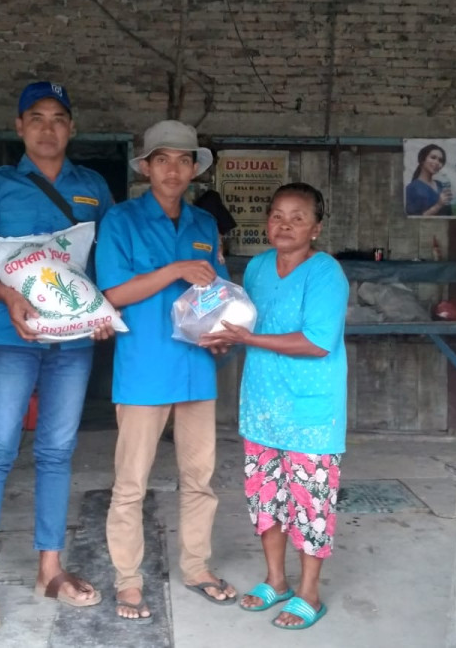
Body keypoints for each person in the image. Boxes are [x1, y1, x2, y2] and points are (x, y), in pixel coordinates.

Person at [0, 81, 114, 631]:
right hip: (10, 337)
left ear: (71, 127)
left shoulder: (93, 187)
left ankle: (51, 569)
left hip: (72, 343)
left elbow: (104, 264)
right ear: (20, 127)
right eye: (37, 118)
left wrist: (101, 312)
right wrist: (7, 295)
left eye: (59, 118)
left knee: (56, 452)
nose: (49, 128)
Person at [95, 120, 236, 621]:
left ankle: (197, 567)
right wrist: (175, 270)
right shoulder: (121, 221)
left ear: (194, 169)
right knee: (131, 483)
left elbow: (215, 294)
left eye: (183, 160)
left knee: (200, 478)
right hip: (144, 368)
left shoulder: (203, 225)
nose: (173, 170)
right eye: (163, 160)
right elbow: (112, 295)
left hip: (197, 367)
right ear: (147, 168)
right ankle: (128, 581)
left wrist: (222, 332)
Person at [200, 182, 349, 631]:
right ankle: (274, 581)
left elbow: (318, 343)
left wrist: (247, 339)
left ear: (316, 228)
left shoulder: (327, 274)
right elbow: (244, 324)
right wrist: (226, 341)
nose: (285, 224)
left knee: (310, 504)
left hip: (310, 412)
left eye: (298, 217)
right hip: (262, 407)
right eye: (278, 215)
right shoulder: (259, 269)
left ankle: (309, 594)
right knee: (266, 500)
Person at [405, 143, 453, 216]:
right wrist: (438, 205)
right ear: (422, 160)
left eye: (440, 160)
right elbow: (414, 219)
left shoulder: (440, 184)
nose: (437, 162)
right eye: (433, 157)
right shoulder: (412, 188)